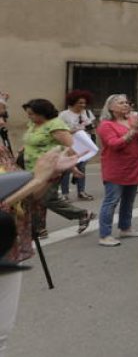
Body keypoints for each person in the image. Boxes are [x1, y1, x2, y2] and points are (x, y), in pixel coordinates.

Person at [0, 146, 77, 355]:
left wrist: (49, 174)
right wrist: (36, 179)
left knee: (2, 333)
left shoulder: (2, 149)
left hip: (8, 247)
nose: (1, 120)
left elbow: (30, 196)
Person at [20, 99, 91, 236]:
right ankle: (39, 229)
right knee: (34, 198)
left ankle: (82, 214)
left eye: (32, 114)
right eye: (28, 114)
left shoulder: (55, 125)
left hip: (52, 169)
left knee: (47, 198)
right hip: (32, 167)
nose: (29, 117)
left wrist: (73, 168)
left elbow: (71, 147)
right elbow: (31, 139)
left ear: (43, 113)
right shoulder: (33, 124)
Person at [96, 94, 138, 246]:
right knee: (111, 201)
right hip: (116, 168)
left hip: (133, 166)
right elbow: (114, 144)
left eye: (127, 102)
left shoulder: (132, 120)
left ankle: (125, 228)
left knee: (129, 200)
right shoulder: (106, 125)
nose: (126, 105)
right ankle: (104, 235)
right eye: (121, 103)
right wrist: (133, 131)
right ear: (111, 107)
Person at [58, 90, 96, 200]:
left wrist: (90, 129)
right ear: (73, 102)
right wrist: (75, 130)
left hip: (84, 143)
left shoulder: (87, 113)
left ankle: (81, 191)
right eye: (80, 103)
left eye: (84, 103)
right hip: (69, 144)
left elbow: (92, 128)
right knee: (67, 168)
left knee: (82, 167)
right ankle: (65, 194)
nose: (83, 105)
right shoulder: (64, 115)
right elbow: (61, 130)